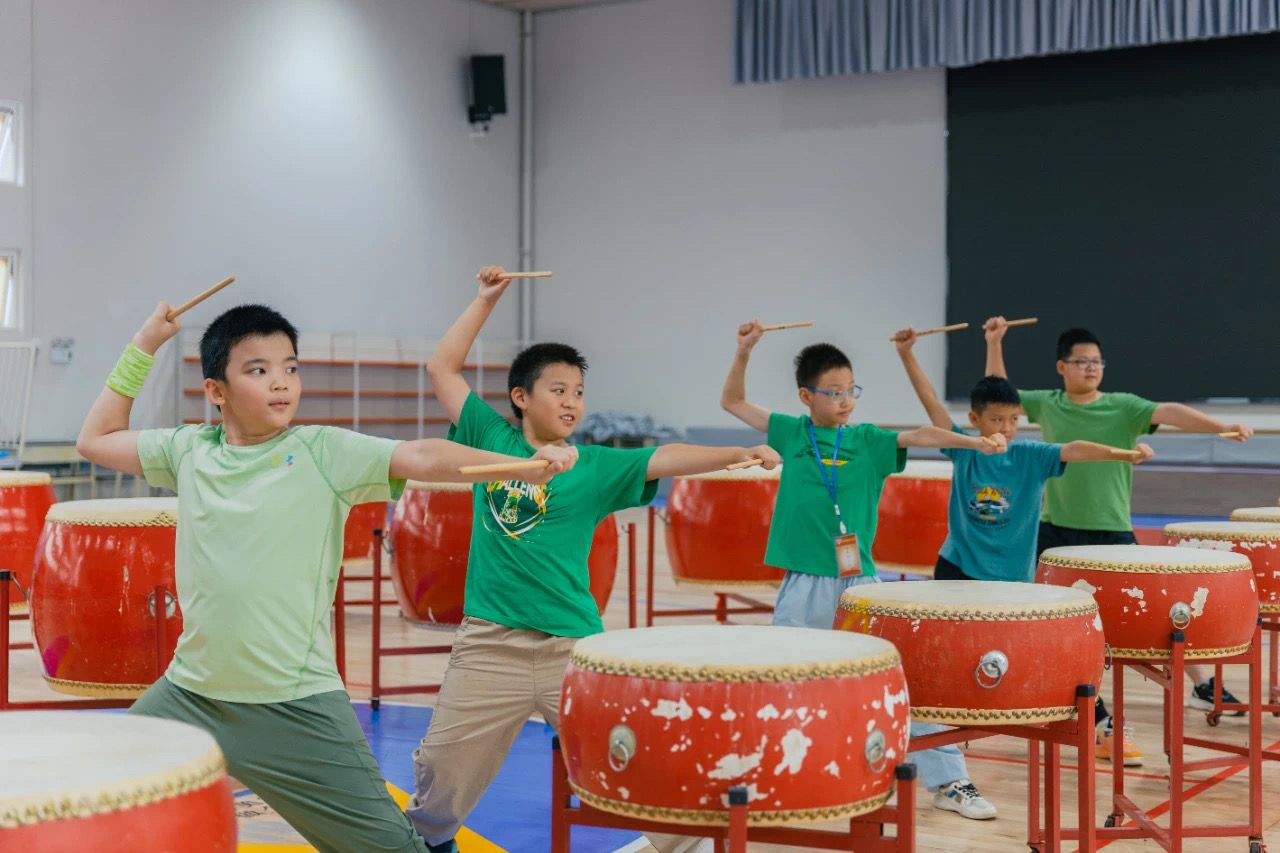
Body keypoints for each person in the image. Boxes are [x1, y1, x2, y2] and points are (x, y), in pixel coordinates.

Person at [75, 302, 575, 853]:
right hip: (190, 696)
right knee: (83, 803)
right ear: (216, 391)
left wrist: (519, 466)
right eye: (258, 370)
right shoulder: (187, 450)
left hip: (298, 707)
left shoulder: (322, 451)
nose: (281, 382)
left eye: (290, 368)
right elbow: (95, 439)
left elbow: (421, 454)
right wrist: (146, 342)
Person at [406, 268, 780, 853]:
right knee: (440, 774)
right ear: (521, 397)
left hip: (573, 649)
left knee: (640, 765)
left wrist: (738, 450)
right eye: (558, 389)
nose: (572, 402)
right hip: (489, 645)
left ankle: (684, 845)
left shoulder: (597, 466)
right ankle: (430, 843)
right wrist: (485, 300)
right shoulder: (491, 438)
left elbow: (664, 457)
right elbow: (441, 370)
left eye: (579, 392)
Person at [721, 319, 1008, 821]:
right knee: (785, 679)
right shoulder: (791, 432)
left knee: (897, 678)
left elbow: (921, 433)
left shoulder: (869, 440)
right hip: (804, 583)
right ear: (806, 396)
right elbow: (733, 401)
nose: (845, 400)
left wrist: (974, 444)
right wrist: (744, 350)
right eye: (833, 392)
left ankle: (949, 781)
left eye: (851, 390)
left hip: (861, 583)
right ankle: (772, 775)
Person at [986, 318, 1254, 766]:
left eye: (1097, 362)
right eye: (1081, 362)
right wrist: (995, 342)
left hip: (1111, 531)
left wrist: (1218, 426)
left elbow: (1169, 411)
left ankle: (1202, 686)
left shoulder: (1123, 406)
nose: (1091, 368)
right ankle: (1086, 709)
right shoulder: (1047, 404)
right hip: (1057, 532)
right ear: (1061, 367)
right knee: (1058, 623)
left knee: (1156, 614)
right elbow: (999, 393)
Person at [893, 326, 1152, 583]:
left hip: (1012, 576)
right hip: (958, 566)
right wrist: (906, 354)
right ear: (975, 419)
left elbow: (1074, 449)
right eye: (997, 419)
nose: (1007, 428)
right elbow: (931, 402)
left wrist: (1123, 454)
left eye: (1014, 419)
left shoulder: (1031, 456)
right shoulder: (964, 448)